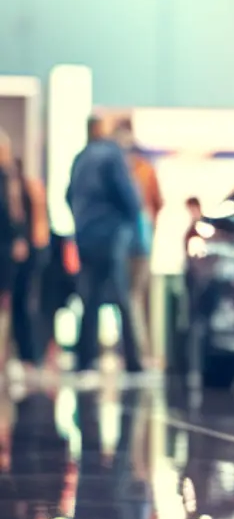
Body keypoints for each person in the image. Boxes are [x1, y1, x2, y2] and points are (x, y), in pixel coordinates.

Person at [66, 116, 144, 375]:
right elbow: (128, 196)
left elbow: (68, 195)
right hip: (111, 236)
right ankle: (133, 361)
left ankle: (85, 359)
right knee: (122, 298)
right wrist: (131, 225)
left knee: (89, 298)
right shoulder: (111, 155)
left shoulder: (80, 158)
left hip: (85, 236)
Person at [112, 120, 161, 363]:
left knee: (131, 299)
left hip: (136, 244)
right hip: (135, 244)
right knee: (132, 299)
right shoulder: (132, 170)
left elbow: (156, 204)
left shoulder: (138, 170)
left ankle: (138, 353)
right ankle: (137, 353)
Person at [8, 156, 50, 378]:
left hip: (29, 252)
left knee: (24, 305)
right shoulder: (31, 187)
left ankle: (30, 356)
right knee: (25, 304)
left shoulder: (21, 189)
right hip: (35, 251)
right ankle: (30, 356)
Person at [0, 131, 24, 371]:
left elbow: (13, 216)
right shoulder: (8, 180)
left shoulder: (9, 179)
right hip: (5, 249)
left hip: (5, 250)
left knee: (6, 302)